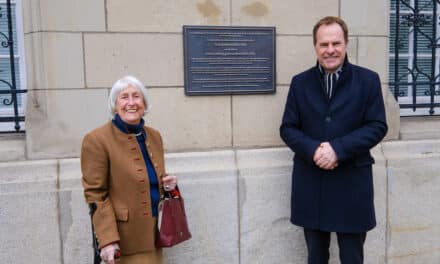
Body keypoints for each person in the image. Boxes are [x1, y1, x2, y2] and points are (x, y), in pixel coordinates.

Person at [280, 16, 388, 264]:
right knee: (315, 257)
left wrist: (338, 149)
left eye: (336, 43)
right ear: (315, 46)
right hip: (312, 183)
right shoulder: (300, 83)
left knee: (352, 257)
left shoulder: (368, 80)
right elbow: (287, 128)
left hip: (352, 185)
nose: (330, 50)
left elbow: (377, 125)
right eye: (324, 44)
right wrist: (314, 150)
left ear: (346, 43)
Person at [81, 75, 177, 264]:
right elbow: (95, 195)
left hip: (154, 236)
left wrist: (169, 186)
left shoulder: (154, 136)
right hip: (122, 242)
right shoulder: (96, 140)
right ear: (115, 104)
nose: (131, 103)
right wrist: (108, 241)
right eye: (124, 97)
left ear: (144, 103)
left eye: (136, 96)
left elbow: (151, 180)